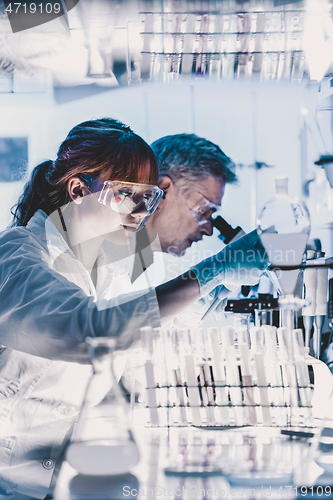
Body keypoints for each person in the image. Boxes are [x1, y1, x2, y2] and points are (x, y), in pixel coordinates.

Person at [0, 118, 266, 499]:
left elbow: (141, 339)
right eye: (126, 194)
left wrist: (212, 294)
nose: (141, 211)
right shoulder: (16, 253)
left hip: (68, 480)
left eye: (148, 197)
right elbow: (95, 330)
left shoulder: (101, 266)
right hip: (14, 486)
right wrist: (211, 271)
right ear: (77, 189)